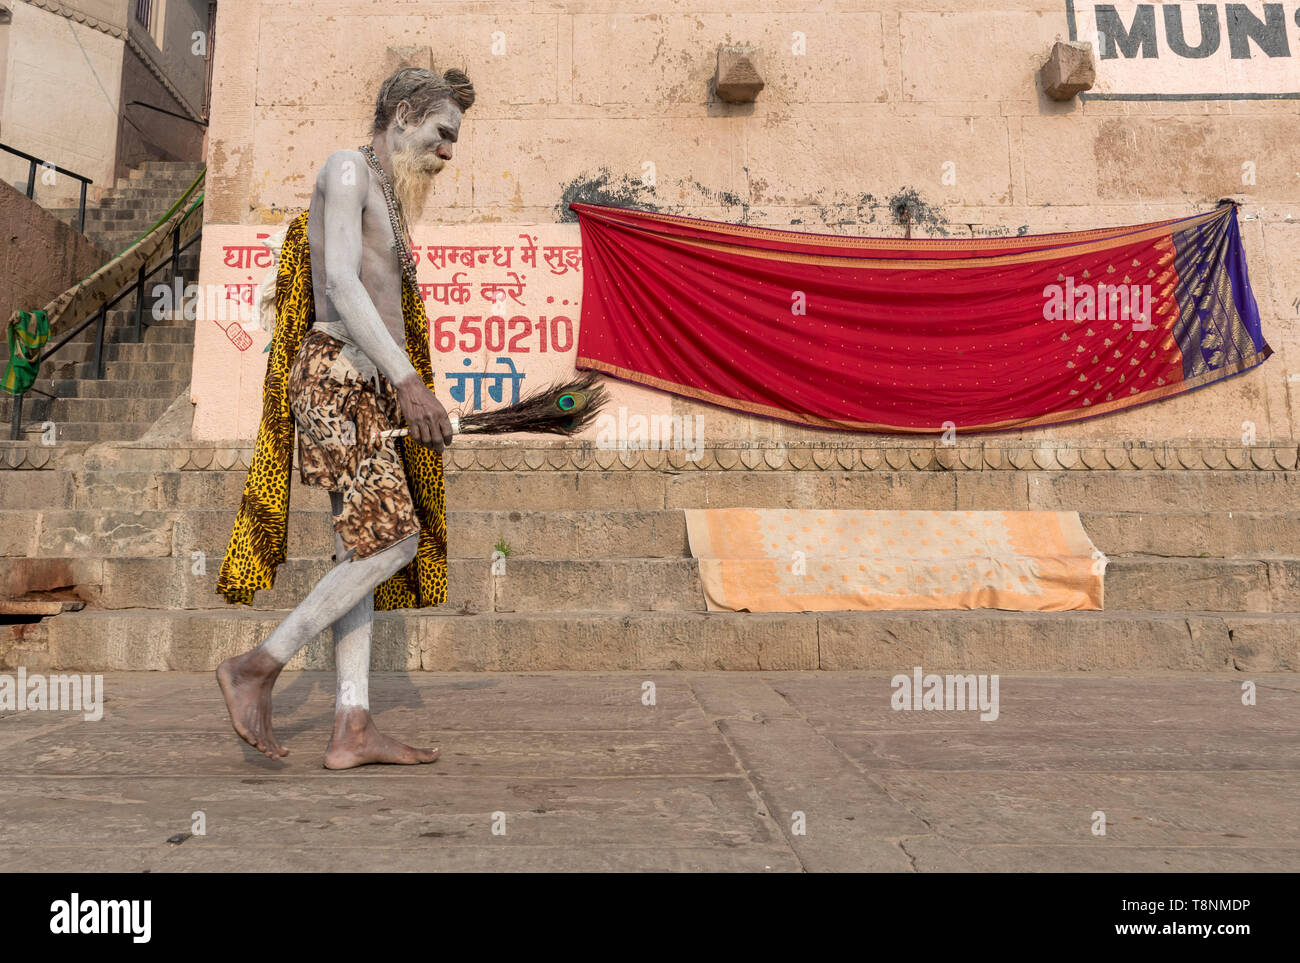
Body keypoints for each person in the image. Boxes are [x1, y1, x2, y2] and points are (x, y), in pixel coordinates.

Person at [216, 66, 473, 769]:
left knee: (361, 548)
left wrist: (400, 389)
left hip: (366, 388)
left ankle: (351, 724)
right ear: (403, 112)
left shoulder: (390, 196)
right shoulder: (347, 170)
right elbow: (337, 282)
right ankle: (256, 666)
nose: (451, 152)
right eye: (442, 133)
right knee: (395, 543)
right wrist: (410, 382)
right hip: (334, 377)